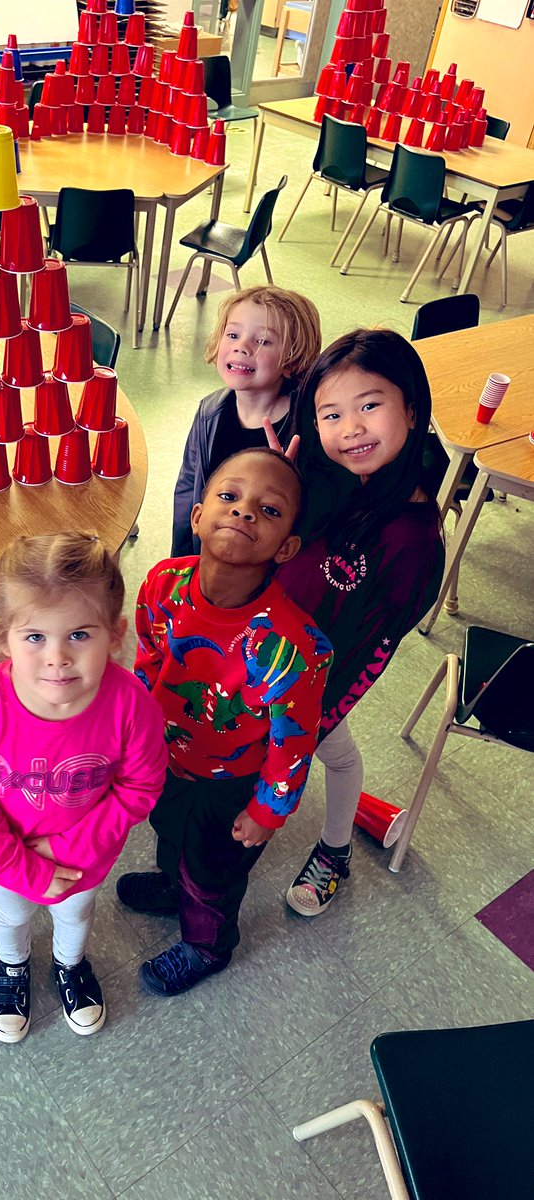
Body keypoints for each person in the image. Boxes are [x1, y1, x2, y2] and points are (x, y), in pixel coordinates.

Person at [0, 532, 166, 1043]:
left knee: (77, 913)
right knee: (10, 914)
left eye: (79, 634)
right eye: (35, 637)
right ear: (4, 638)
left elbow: (141, 786)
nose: (57, 657)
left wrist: (66, 853)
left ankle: (70, 963)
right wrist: (21, 866)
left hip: (86, 857)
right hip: (5, 856)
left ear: (115, 634)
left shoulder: (132, 706)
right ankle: (11, 965)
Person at [117, 448, 333, 995]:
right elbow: (148, 658)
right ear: (197, 515)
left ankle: (208, 945)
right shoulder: (162, 583)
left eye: (269, 509)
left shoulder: (294, 644)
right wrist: (133, 734)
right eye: (230, 496)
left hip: (231, 784)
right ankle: (174, 884)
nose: (243, 511)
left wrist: (267, 812)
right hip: (164, 757)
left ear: (286, 547)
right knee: (170, 833)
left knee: (213, 871)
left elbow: (294, 742)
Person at [272, 328, 445, 916]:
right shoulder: (339, 480)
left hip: (316, 684)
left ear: (411, 410)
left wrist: (320, 714)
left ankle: (335, 850)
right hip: (270, 658)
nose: (351, 428)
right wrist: (283, 487)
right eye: (332, 414)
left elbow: (374, 650)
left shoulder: (411, 540)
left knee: (337, 754)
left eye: (369, 406)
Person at [171, 285, 322, 557]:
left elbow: (313, 519)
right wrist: (181, 561)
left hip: (266, 570)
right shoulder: (209, 411)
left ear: (292, 360)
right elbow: (188, 488)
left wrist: (288, 476)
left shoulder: (307, 428)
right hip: (211, 558)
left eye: (263, 341)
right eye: (233, 335)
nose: (241, 347)